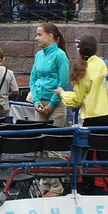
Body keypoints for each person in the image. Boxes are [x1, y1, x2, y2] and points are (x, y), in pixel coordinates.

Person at [58, 35, 108, 196]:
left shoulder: (82, 70)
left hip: (93, 118)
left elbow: (76, 100)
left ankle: (88, 191)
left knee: (86, 156)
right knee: (104, 155)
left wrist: (62, 94)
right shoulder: (102, 63)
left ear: (80, 51)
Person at [29, 23, 70, 197]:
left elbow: (63, 81)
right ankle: (45, 182)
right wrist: (37, 101)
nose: (36, 38)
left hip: (56, 105)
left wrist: (51, 104)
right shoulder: (39, 55)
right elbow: (33, 79)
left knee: (53, 147)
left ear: (51, 36)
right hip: (41, 104)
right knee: (43, 147)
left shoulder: (60, 56)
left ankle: (57, 188)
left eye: (39, 34)